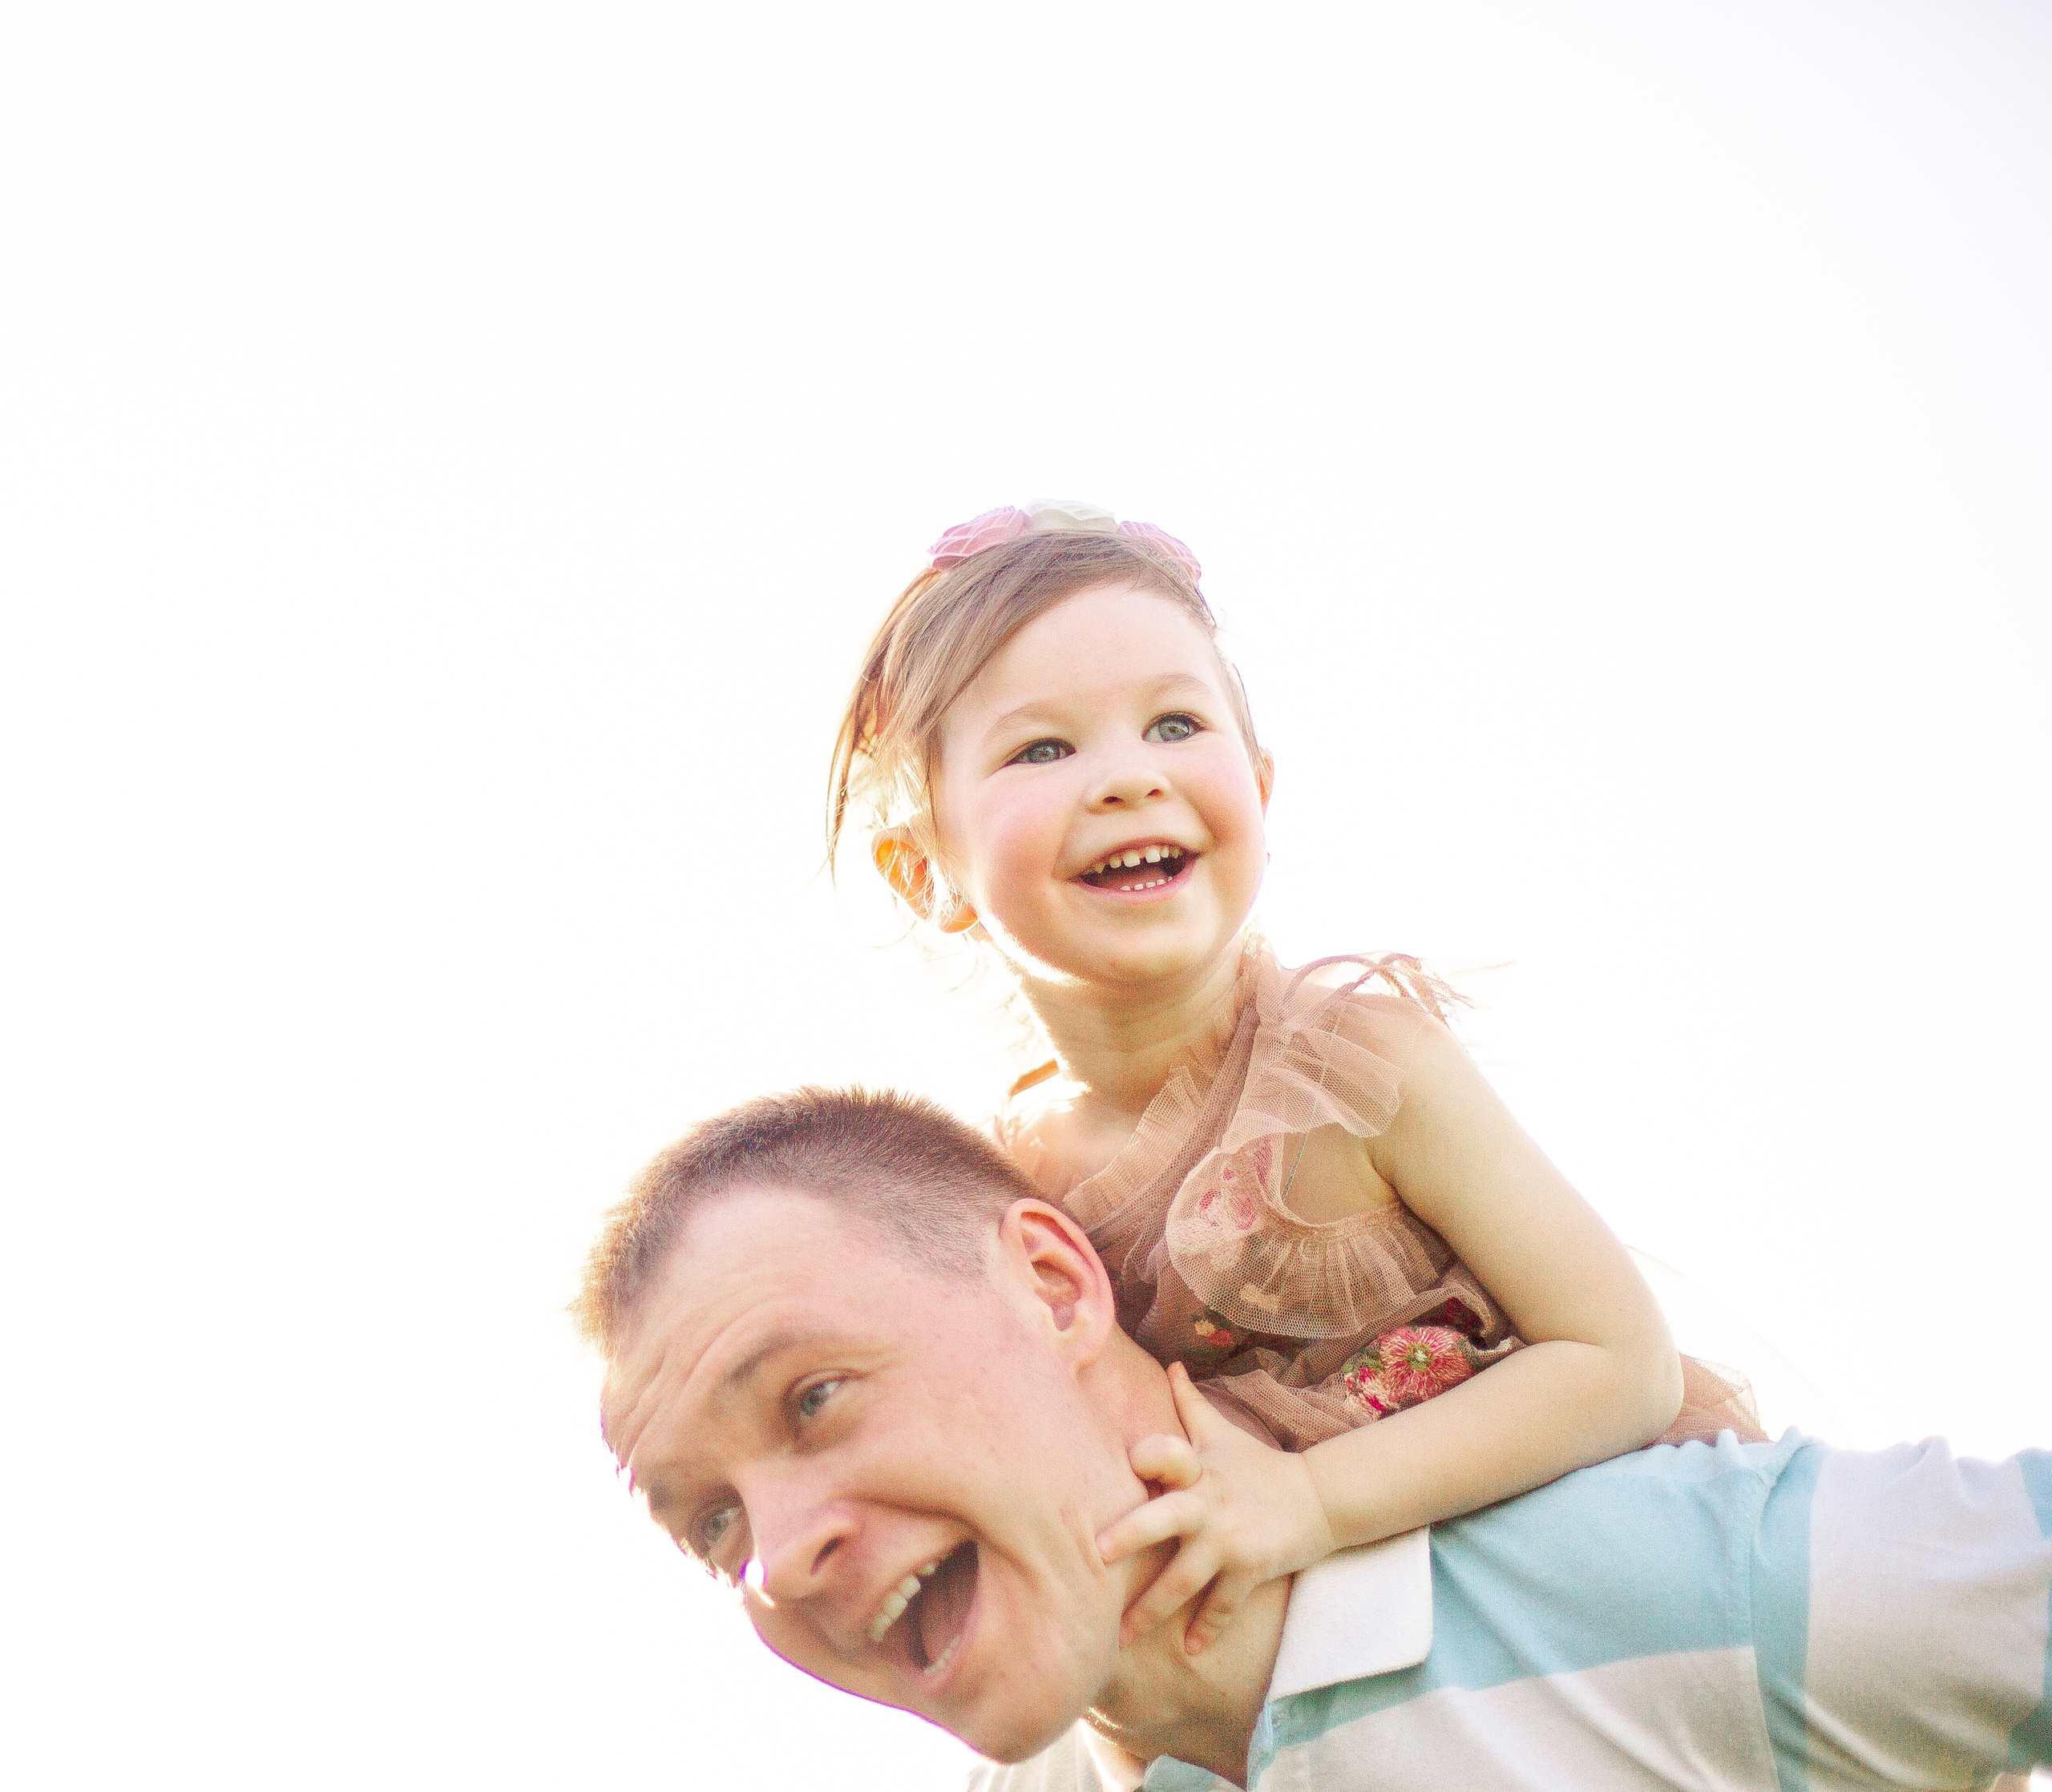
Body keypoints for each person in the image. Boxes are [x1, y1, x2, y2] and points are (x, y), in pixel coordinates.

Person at [825, 501, 1760, 1653]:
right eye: (1044, 749)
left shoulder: (1355, 1067)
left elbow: (1622, 1362)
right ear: (926, 871)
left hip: (1591, 1587)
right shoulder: (1012, 1194)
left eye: (1174, 724)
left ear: (1260, 792)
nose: (1128, 779)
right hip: (1345, 1667)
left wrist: (1312, 1500)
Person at [576, 1087, 2052, 1792]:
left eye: (814, 1399)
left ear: (1051, 1283)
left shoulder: (1669, 1582)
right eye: (711, 1526)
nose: (777, 1556)